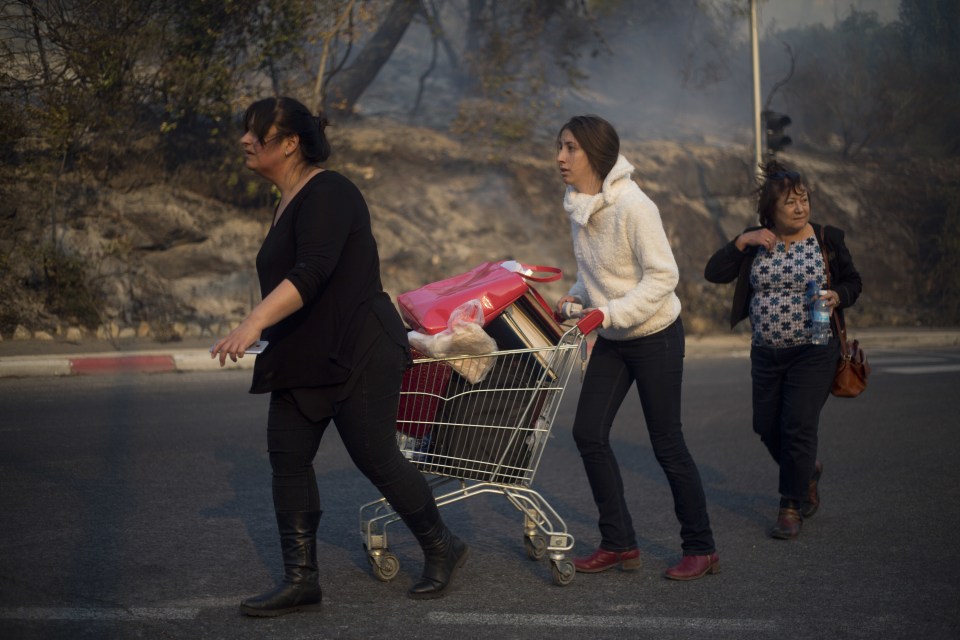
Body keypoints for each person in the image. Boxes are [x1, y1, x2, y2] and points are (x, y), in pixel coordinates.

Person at [210, 96, 467, 616]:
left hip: (359, 347)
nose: (244, 140)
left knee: (375, 456)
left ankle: (443, 545)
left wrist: (253, 322)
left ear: (289, 143)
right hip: (304, 350)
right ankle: (301, 580)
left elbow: (312, 273)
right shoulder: (284, 201)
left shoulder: (330, 192)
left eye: (256, 133)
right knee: (287, 458)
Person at [554, 115, 719, 581]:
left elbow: (663, 277)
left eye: (571, 148)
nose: (561, 158)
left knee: (667, 443)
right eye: (560, 147)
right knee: (588, 433)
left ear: (595, 154)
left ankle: (702, 548)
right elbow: (595, 272)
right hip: (613, 336)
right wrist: (577, 296)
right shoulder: (579, 204)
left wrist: (607, 313)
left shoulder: (634, 205)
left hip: (655, 336)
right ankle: (619, 543)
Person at [704, 159, 862, 540]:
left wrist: (837, 296)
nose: (800, 207)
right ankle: (806, 470)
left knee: (798, 425)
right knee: (765, 425)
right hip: (766, 351)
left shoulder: (826, 239)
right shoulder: (756, 239)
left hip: (814, 349)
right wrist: (742, 241)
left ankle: (791, 505)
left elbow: (853, 282)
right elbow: (714, 272)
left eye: (803, 199)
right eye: (790, 202)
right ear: (770, 211)